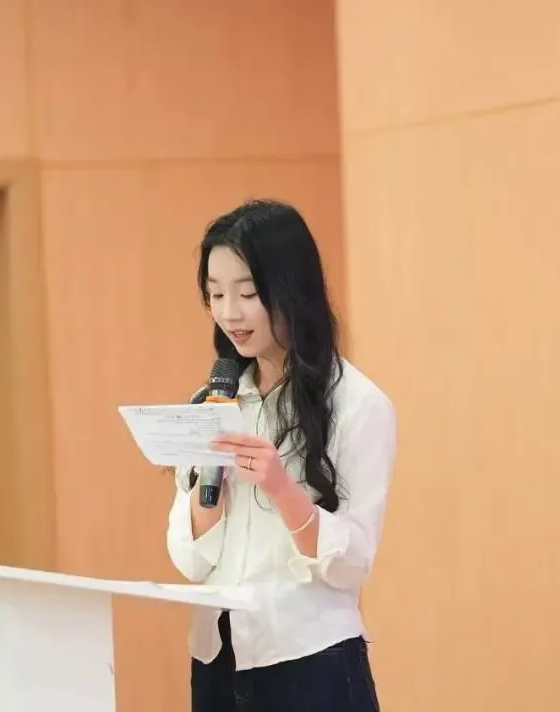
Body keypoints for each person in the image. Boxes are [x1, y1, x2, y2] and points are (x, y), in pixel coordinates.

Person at [165, 199, 397, 711]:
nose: (229, 312)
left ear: (291, 289)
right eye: (215, 294)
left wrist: (282, 489)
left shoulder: (357, 405)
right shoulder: (213, 402)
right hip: (218, 660)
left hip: (312, 663)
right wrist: (208, 485)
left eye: (247, 293)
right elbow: (190, 561)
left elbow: (353, 564)